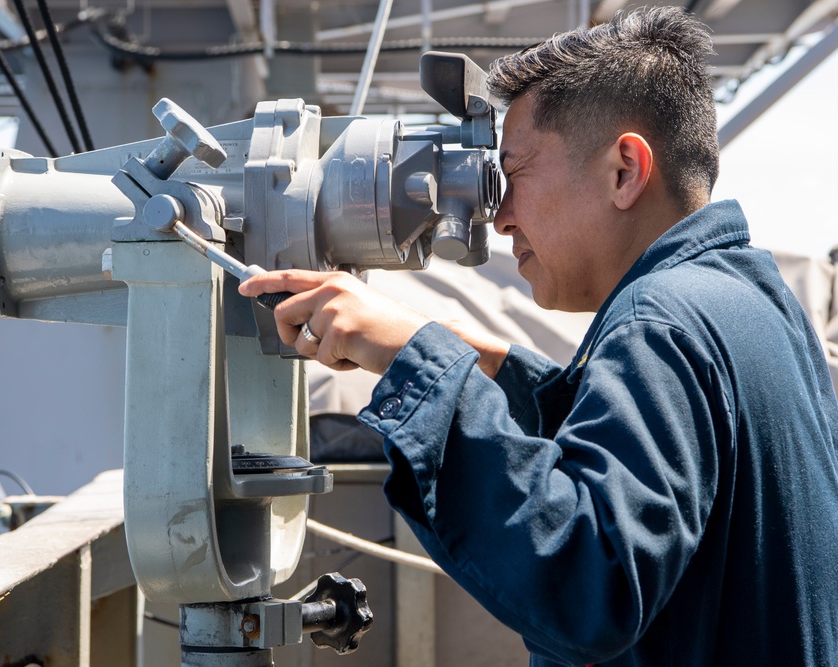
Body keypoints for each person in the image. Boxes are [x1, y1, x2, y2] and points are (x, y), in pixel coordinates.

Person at [241, 6, 838, 666]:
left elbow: (589, 582)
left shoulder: (657, 326)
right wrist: (466, 356)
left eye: (515, 173)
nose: (499, 218)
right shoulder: (754, 301)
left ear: (624, 170)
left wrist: (418, 364)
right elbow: (643, 450)